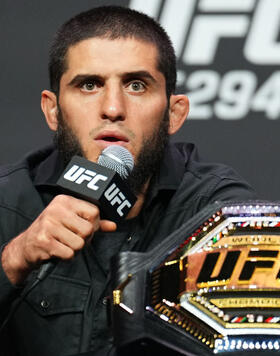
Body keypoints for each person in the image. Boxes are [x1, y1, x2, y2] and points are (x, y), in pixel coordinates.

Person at [0, 5, 256, 356]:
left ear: (174, 113)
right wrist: (15, 259)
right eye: (89, 85)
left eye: (136, 85)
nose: (113, 108)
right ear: (53, 110)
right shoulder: (8, 202)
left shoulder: (216, 213)